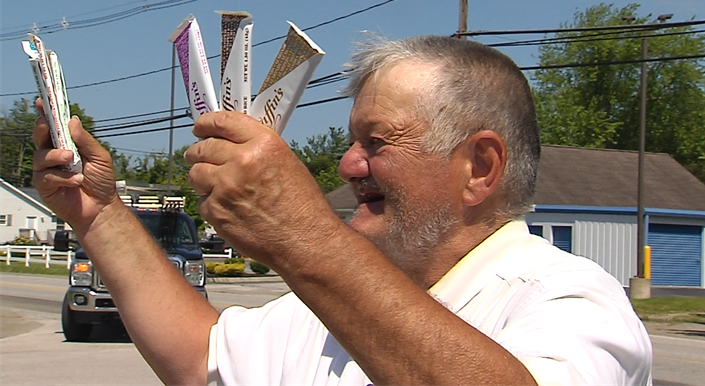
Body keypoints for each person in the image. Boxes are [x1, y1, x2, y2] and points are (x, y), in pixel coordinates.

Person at [33, 35, 652, 385]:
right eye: (352, 141)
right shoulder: (332, 305)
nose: (347, 166)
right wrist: (99, 214)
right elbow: (201, 356)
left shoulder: (566, 299)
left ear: (480, 168)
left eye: (376, 143)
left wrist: (306, 237)